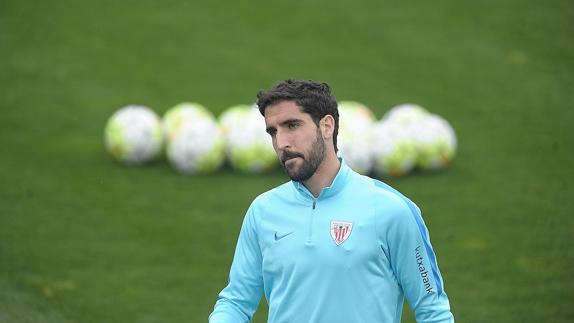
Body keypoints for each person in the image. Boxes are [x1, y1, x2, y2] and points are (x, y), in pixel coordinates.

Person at [209, 79, 454, 323]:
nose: (281, 142)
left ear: (326, 126)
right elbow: (236, 302)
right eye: (273, 131)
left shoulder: (391, 209)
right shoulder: (263, 211)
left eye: (292, 125)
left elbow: (433, 310)